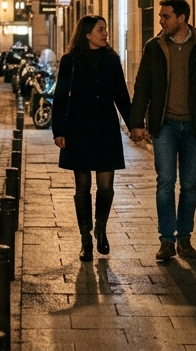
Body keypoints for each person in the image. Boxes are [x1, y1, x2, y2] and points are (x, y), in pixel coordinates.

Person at [130, 0, 196, 262]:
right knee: (165, 183)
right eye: (161, 16)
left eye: (166, 16)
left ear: (181, 18)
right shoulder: (154, 47)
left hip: (195, 127)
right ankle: (166, 241)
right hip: (165, 126)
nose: (161, 21)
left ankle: (184, 238)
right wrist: (137, 123)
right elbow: (143, 87)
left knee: (189, 185)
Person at [51, 16, 133, 262]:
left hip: (106, 129)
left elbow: (121, 94)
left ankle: (101, 229)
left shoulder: (112, 60)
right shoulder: (70, 61)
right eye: (100, 29)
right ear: (87, 34)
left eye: (106, 28)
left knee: (106, 186)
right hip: (79, 128)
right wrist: (59, 131)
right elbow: (61, 97)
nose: (105, 32)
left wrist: (134, 125)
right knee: (83, 187)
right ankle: (85, 238)